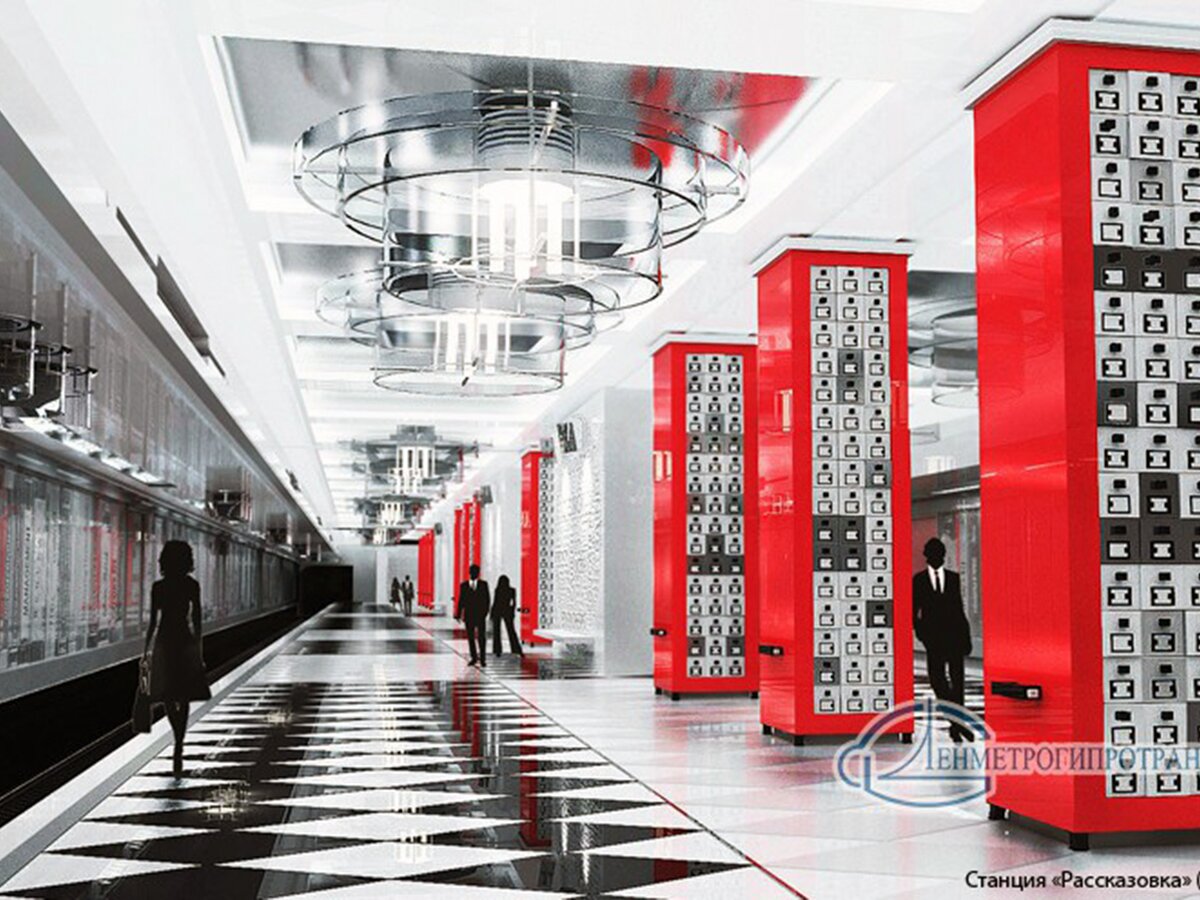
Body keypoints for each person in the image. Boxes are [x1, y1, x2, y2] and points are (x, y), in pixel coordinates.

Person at [144, 541, 211, 775]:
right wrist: (198, 650)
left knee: (168, 694)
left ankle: (176, 737)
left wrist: (146, 651)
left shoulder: (158, 587)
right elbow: (197, 619)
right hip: (184, 640)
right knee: (184, 694)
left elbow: (153, 622)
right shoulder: (192, 585)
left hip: (165, 641)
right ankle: (180, 742)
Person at [912, 537, 973, 743]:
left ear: (943, 556)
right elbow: (914, 611)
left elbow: (959, 608)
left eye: (939, 554)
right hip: (933, 640)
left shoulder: (953, 578)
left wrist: (966, 637)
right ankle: (958, 723)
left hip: (955, 636)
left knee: (958, 683)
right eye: (933, 555)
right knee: (937, 680)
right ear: (927, 557)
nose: (937, 558)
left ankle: (956, 726)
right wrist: (921, 633)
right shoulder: (919, 580)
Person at [456, 564, 491, 667]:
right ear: (470, 573)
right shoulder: (464, 586)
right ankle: (474, 657)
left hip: (480, 615)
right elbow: (461, 601)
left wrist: (485, 613)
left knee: (481, 638)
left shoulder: (483, 585)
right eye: (473, 572)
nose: (474, 574)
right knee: (471, 638)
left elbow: (487, 600)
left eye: (476, 572)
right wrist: (458, 614)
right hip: (469, 616)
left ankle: (483, 659)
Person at [490, 574, 524, 658]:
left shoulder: (498, 590)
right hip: (507, 611)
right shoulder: (512, 590)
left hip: (497, 611)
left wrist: (492, 613)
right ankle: (516, 649)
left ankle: (497, 650)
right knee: (511, 631)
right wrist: (512, 611)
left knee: (496, 632)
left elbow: (495, 602)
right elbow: (514, 603)